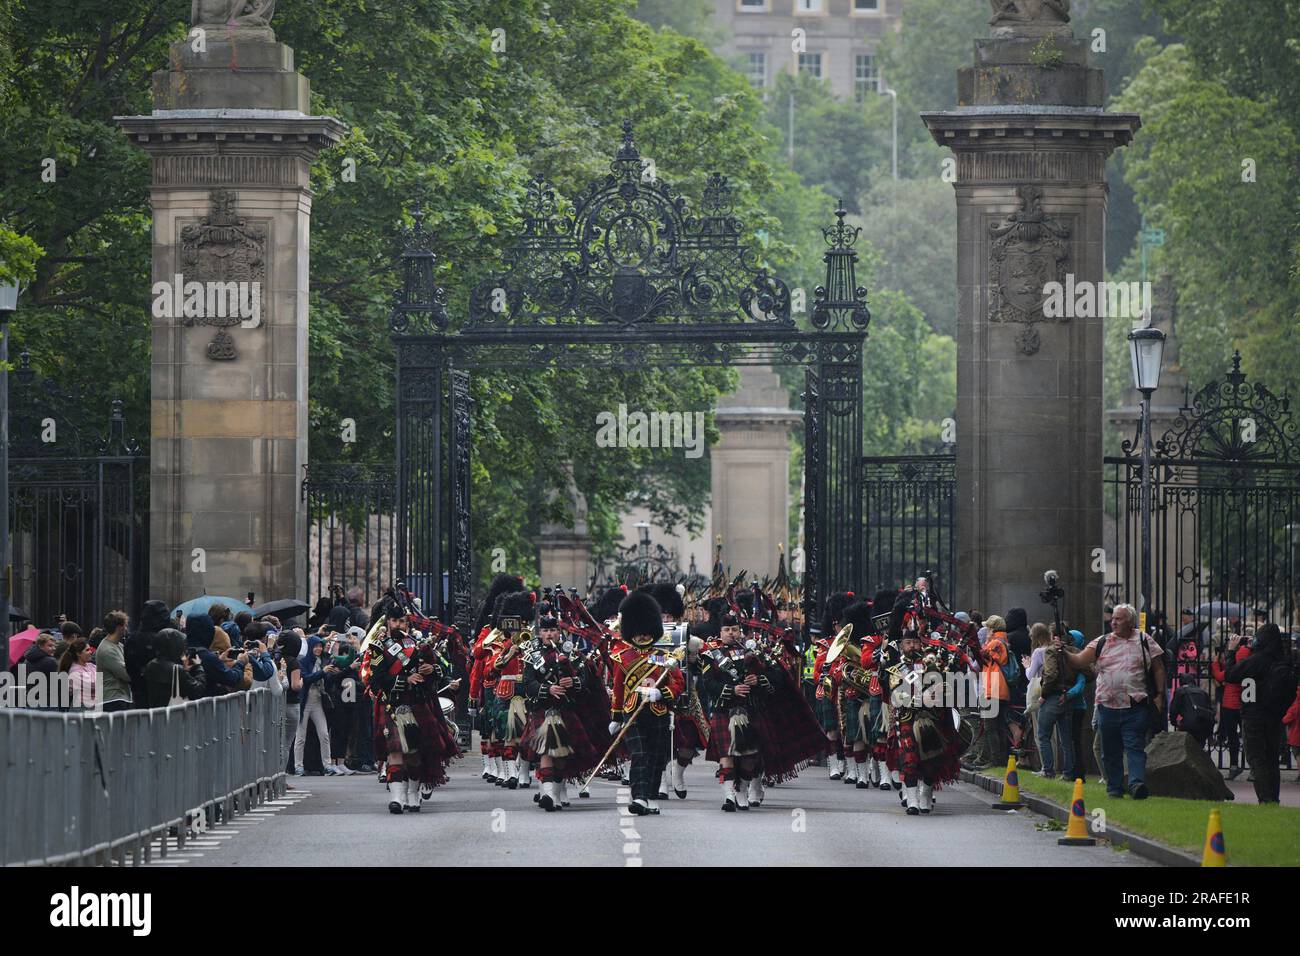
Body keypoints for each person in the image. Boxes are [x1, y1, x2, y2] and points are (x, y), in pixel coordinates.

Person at [1055, 604, 1165, 799]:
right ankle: (1114, 788)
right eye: (1113, 618)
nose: (1113, 622)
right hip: (1107, 706)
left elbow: (1158, 668)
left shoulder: (1143, 640)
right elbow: (1079, 661)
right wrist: (1063, 652)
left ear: (1130, 622)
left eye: (1119, 619)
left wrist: (1159, 694)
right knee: (1110, 750)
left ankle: (1136, 784)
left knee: (1134, 747)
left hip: (1135, 705)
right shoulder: (1102, 642)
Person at [361, 603, 461, 813]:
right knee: (395, 752)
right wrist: (405, 679)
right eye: (394, 621)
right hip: (392, 705)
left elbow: (437, 673)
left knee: (414, 754)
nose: (398, 625)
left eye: (402, 621)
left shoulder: (419, 646)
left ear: (407, 623)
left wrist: (430, 670)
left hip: (416, 705)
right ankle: (397, 798)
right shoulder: (378, 648)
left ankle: (413, 794)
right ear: (387, 622)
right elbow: (377, 680)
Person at [610, 589, 684, 816]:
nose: (642, 636)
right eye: (637, 632)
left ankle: (651, 795)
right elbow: (618, 689)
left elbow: (678, 683)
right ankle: (639, 797)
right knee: (639, 754)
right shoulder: (622, 658)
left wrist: (662, 693)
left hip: (658, 711)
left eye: (645, 632)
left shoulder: (663, 658)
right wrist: (615, 717)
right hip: (632, 711)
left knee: (656, 756)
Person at [1226, 623, 1293, 804]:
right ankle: (1273, 798)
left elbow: (1230, 675)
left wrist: (1231, 652)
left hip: (1253, 715)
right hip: (1275, 716)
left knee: (1257, 760)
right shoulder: (1282, 660)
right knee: (1272, 759)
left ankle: (1266, 799)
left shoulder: (1254, 661)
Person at [1026, 623, 1080, 780]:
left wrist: (1043, 694)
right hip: (1068, 697)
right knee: (1066, 739)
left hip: (1051, 696)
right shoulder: (1072, 650)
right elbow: (1088, 672)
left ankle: (1048, 770)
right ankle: (1068, 773)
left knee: (1043, 735)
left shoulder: (1049, 651)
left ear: (1052, 635)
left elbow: (1050, 675)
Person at [1210, 625, 1251, 779]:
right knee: (1247, 736)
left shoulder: (1235, 660)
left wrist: (1215, 662)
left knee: (1233, 737)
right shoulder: (1249, 655)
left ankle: (1234, 765)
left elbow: (1221, 676)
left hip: (1230, 704)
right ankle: (1252, 767)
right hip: (1245, 702)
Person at [295, 635, 337, 775]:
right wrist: (322, 672)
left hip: (318, 700)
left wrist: (330, 673)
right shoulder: (303, 661)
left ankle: (327, 765)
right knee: (301, 736)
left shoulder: (323, 660)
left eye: (320, 646)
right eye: (315, 646)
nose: (318, 649)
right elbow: (306, 678)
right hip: (305, 701)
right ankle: (298, 766)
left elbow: (327, 682)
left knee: (324, 734)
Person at [144, 628, 207, 706]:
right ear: (176, 645)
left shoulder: (151, 665)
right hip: (174, 714)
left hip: (156, 713)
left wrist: (184, 670)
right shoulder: (177, 670)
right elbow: (198, 690)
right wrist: (198, 667)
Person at [127, 600, 172, 709]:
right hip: (160, 692)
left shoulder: (132, 638)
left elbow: (129, 665)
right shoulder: (163, 639)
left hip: (138, 690)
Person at [96, 610, 133, 712]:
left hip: (119, 697)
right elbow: (126, 674)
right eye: (125, 626)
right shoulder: (108, 650)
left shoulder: (118, 646)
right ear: (119, 627)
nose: (126, 629)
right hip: (112, 700)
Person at [58, 637, 97, 710]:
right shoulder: (74, 671)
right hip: (81, 710)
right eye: (87, 650)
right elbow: (94, 686)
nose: (91, 652)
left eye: (90, 649)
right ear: (78, 653)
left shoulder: (91, 666)